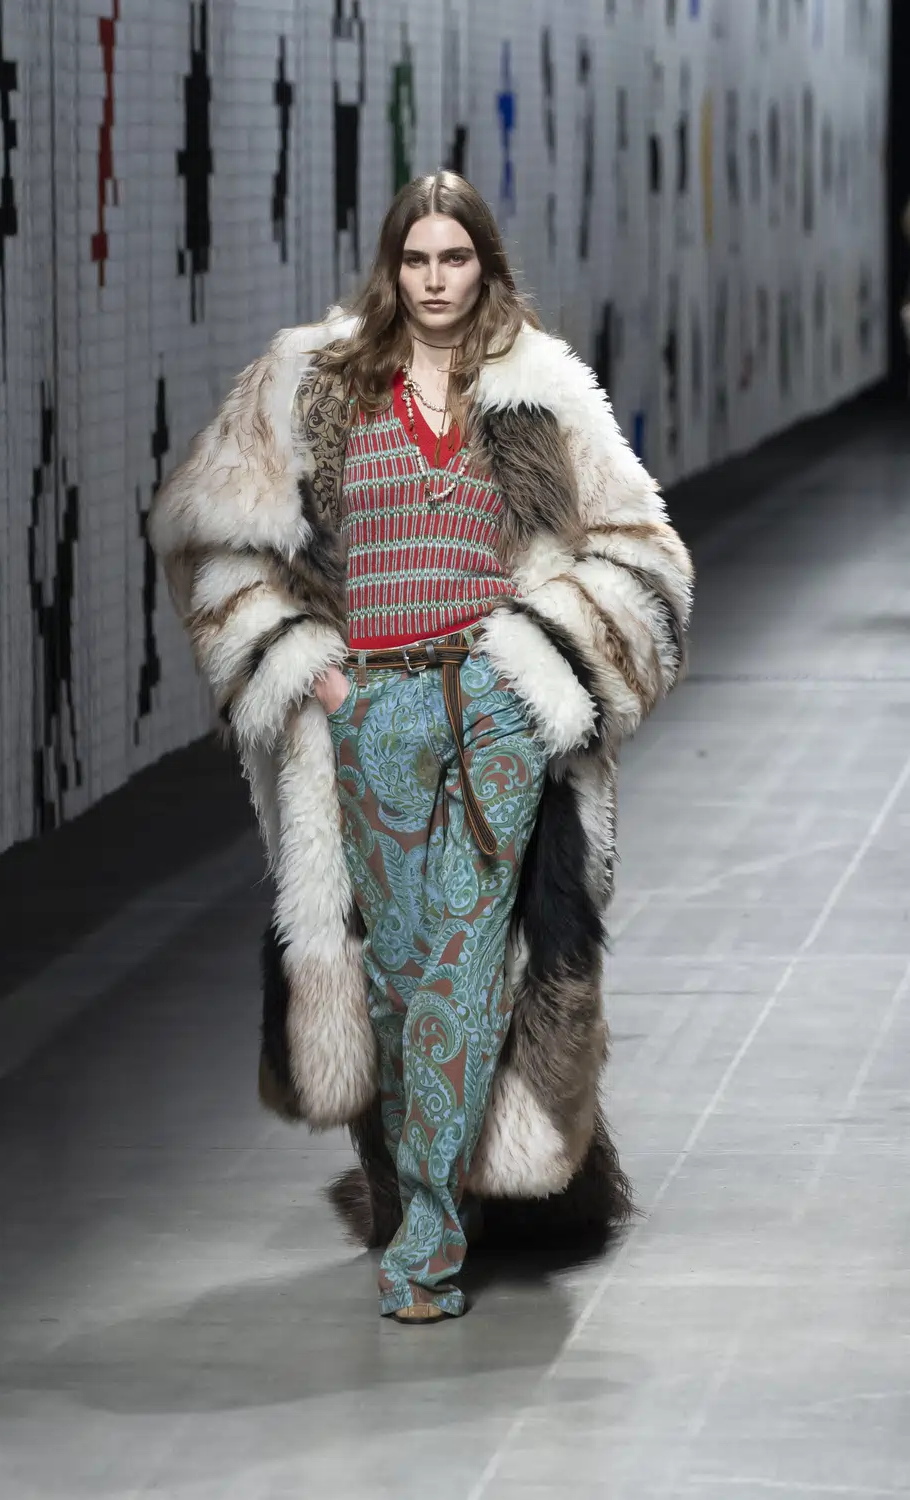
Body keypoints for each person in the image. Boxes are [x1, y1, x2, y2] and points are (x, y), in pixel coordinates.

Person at [149, 172, 693, 1324]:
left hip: (491, 705)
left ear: (485, 265)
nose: (435, 280)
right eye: (416, 260)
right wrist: (309, 670)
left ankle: (427, 1246)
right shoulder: (313, 380)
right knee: (394, 979)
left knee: (461, 967)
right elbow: (209, 534)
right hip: (373, 711)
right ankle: (417, 1192)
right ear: (391, 268)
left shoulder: (539, 388)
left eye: (455, 258)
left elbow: (644, 551)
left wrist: (538, 666)